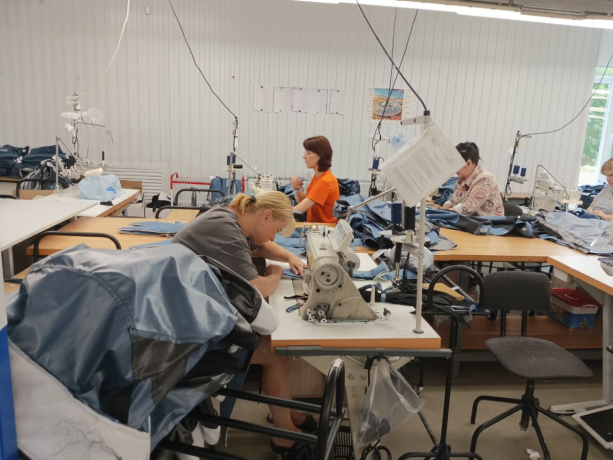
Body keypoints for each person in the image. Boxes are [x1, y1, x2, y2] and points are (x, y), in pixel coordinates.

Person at [172, 191, 313, 458]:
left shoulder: (229, 218)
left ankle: (289, 416)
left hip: (187, 309)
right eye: (276, 230)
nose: (275, 237)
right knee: (274, 352)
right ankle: (284, 435)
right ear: (266, 216)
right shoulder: (227, 231)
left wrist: (291, 258)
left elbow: (259, 247)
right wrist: (275, 274)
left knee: (277, 350)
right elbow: (256, 290)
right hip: (182, 333)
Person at [440, 142, 504, 217]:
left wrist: (446, 212)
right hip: (470, 220)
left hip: (488, 223)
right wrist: (442, 209)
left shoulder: (485, 178)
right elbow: (453, 200)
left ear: (468, 163)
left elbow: (469, 206)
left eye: (456, 164)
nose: (454, 168)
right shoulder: (462, 179)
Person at [290, 136, 340, 223]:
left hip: (325, 228)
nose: (304, 156)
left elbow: (298, 210)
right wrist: (295, 187)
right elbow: (303, 200)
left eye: (308, 153)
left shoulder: (325, 181)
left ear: (320, 156)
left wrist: (274, 210)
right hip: (317, 226)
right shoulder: (318, 176)